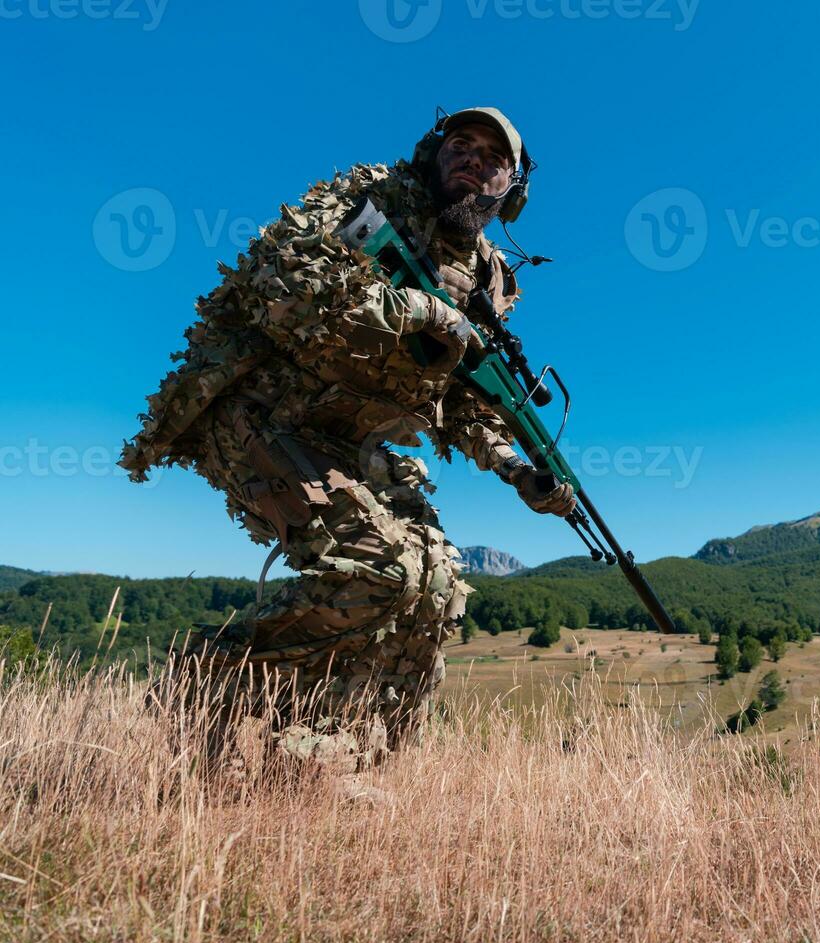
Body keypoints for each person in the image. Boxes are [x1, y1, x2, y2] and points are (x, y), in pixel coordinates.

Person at [120, 107, 574, 780]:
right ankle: (210, 678)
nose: (472, 159)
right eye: (461, 144)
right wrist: (423, 311)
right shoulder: (374, 197)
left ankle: (332, 757)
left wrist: (517, 468)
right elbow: (291, 274)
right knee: (382, 564)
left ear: (513, 188)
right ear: (434, 152)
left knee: (436, 586)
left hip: (352, 439)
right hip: (265, 411)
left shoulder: (491, 279)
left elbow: (458, 397)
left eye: (491, 157)